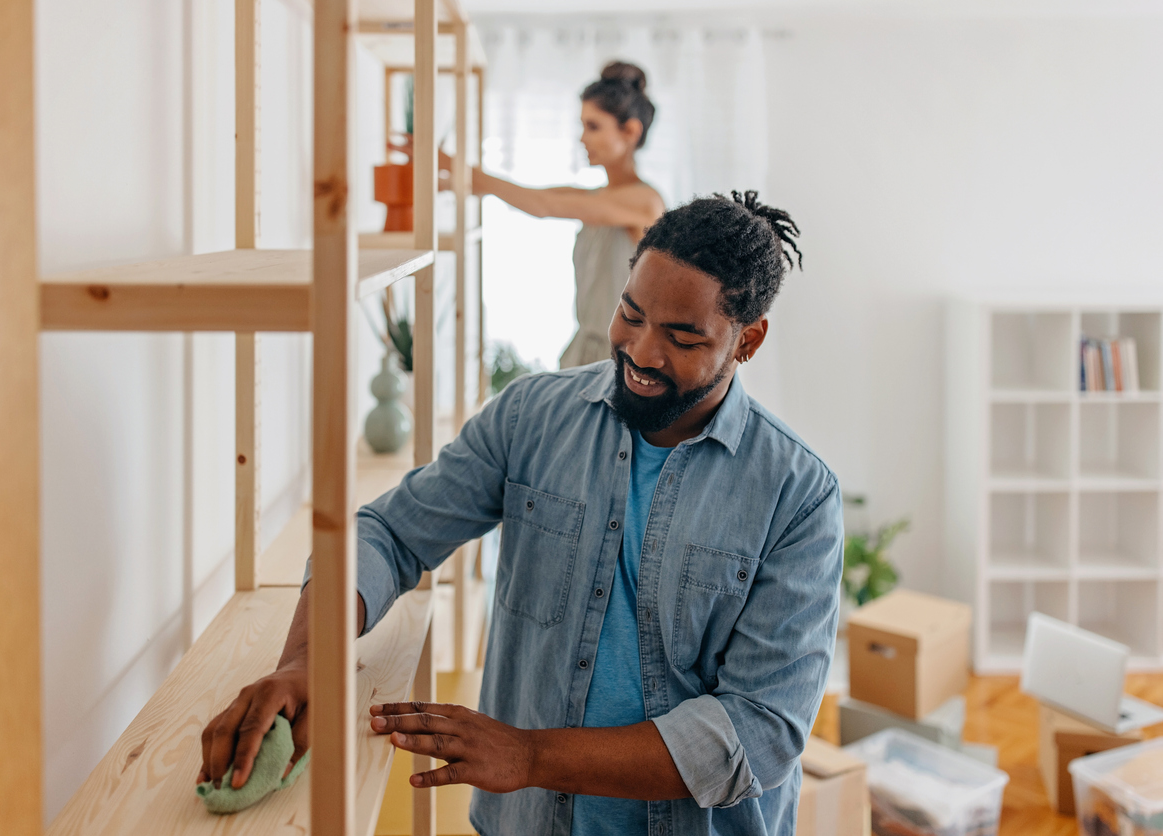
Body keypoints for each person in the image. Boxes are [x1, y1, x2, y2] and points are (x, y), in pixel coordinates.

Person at [199, 192, 842, 836]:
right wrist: (308, 659)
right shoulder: (531, 416)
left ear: (747, 340)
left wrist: (531, 755)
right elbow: (388, 533)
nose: (642, 352)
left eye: (682, 337)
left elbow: (756, 729)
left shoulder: (798, 495)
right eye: (631, 314)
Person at [473, 61, 666, 369]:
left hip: (624, 361)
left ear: (630, 131)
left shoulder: (645, 202)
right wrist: (471, 178)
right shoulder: (600, 197)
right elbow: (540, 197)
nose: (582, 139)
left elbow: (544, 206)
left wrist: (476, 178)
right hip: (588, 353)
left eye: (593, 126)